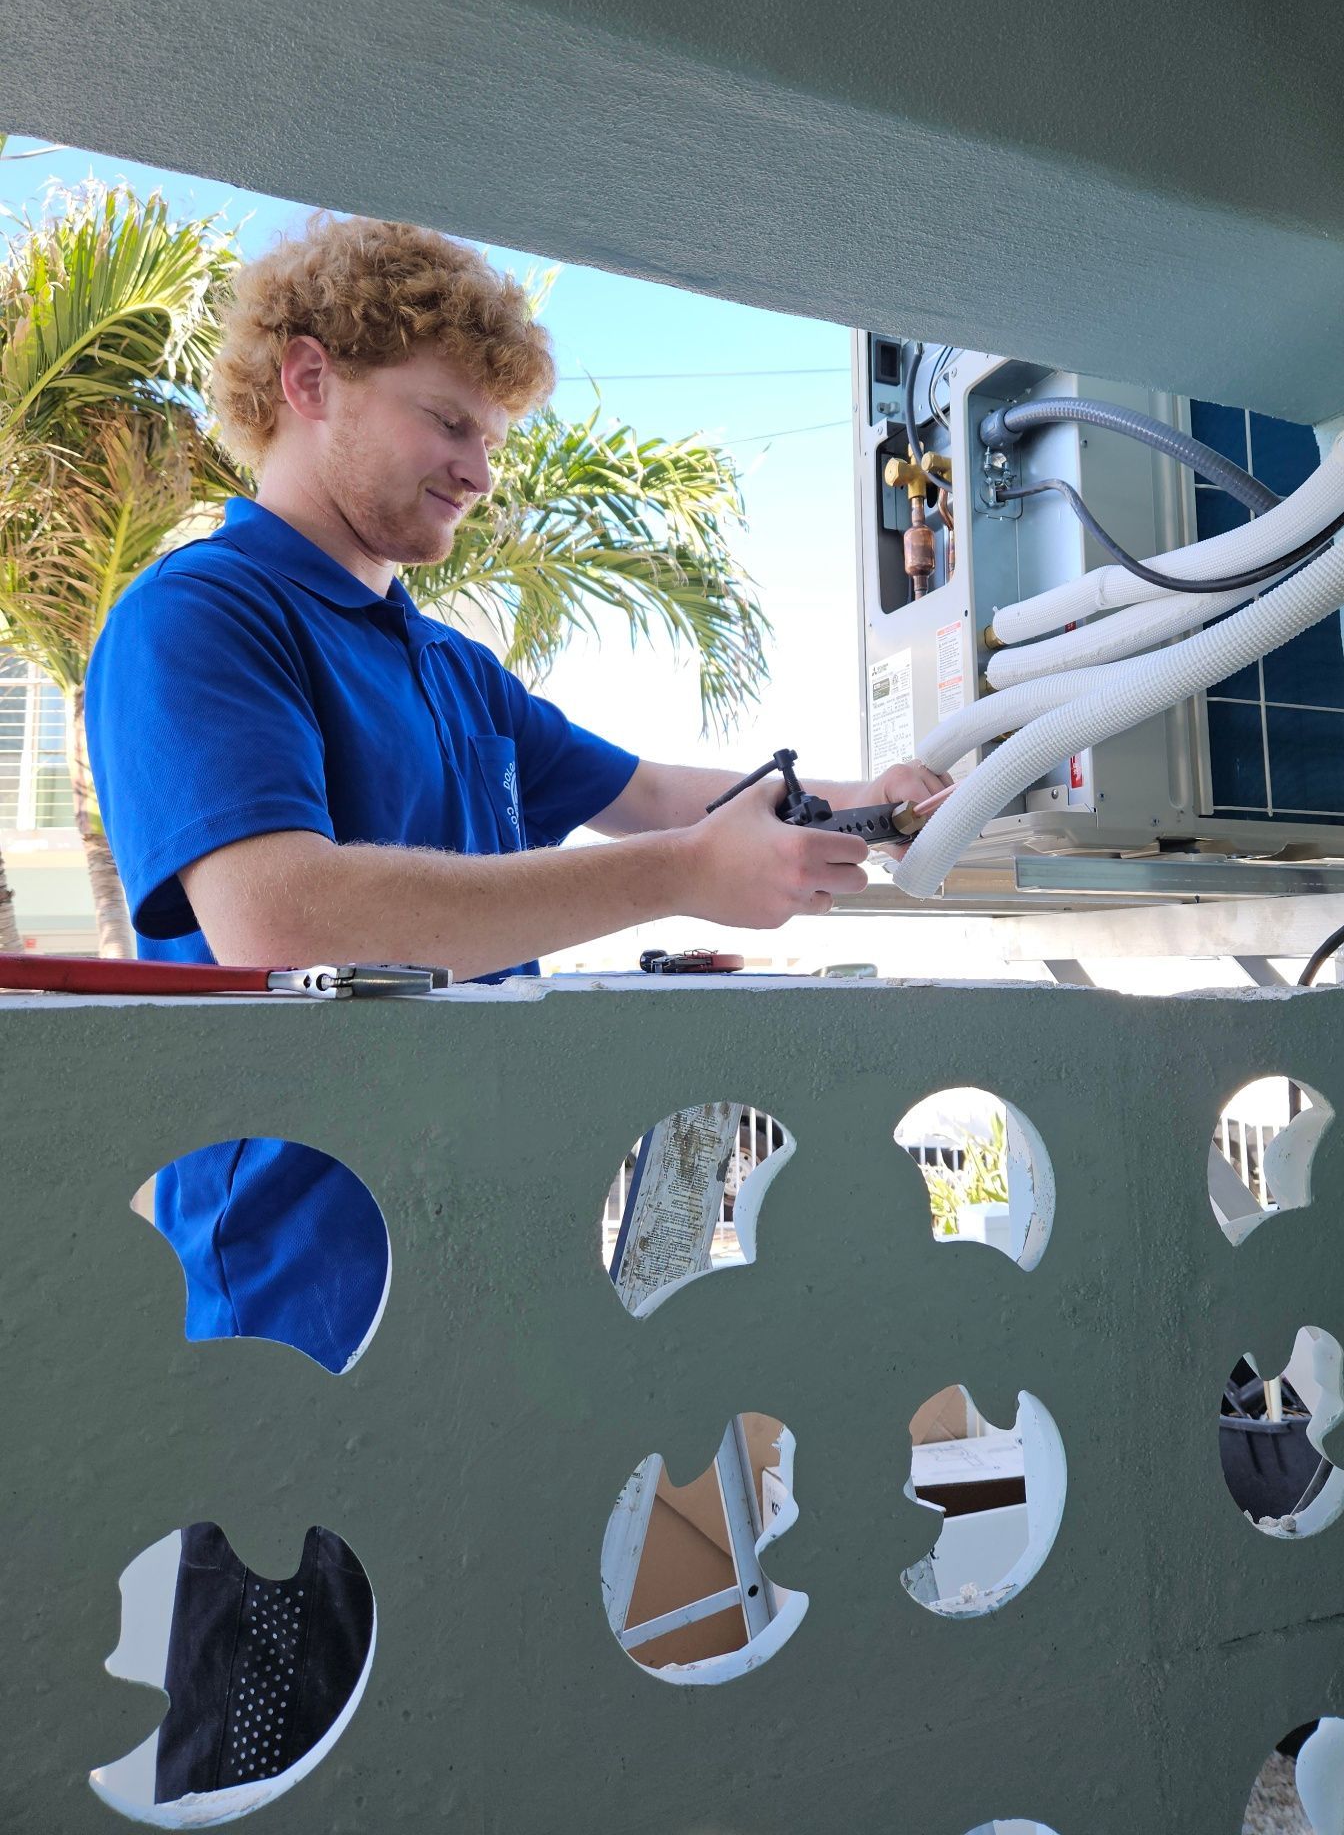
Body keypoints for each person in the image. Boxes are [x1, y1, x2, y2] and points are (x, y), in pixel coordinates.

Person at [84, 214, 949, 1808]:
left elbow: (665, 798)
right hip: (310, 1335)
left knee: (479, 1756)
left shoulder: (453, 669)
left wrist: (868, 802)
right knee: (274, 1769)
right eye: (451, 420)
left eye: (496, 433)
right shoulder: (196, 619)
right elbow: (277, 913)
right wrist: (686, 878)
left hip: (510, 1297)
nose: (483, 467)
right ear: (309, 380)